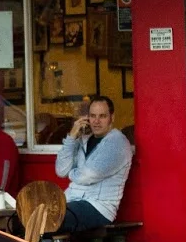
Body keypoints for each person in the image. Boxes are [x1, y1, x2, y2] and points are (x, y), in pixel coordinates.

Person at [54, 96, 133, 233]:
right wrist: (72, 137)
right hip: (72, 201)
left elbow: (88, 176)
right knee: (34, 214)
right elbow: (61, 170)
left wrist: (72, 173)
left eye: (102, 116)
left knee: (53, 217)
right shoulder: (83, 140)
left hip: (98, 207)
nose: (96, 121)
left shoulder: (117, 143)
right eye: (92, 116)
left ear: (111, 118)